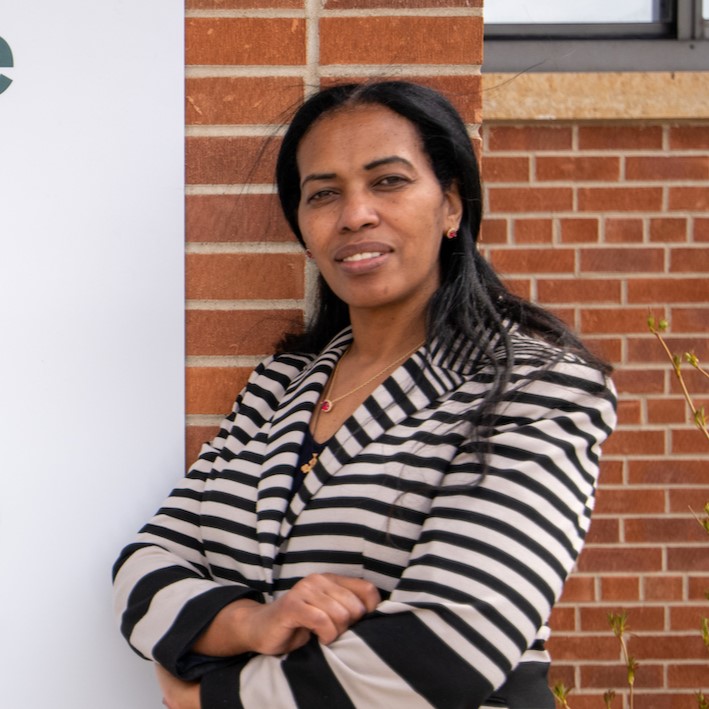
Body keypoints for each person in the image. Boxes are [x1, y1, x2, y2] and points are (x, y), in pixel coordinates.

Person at [112, 80, 616, 709]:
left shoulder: (536, 386)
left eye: (388, 181)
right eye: (323, 193)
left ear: (452, 205)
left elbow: (447, 649)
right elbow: (142, 570)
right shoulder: (282, 385)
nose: (355, 215)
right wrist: (251, 623)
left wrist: (209, 700)